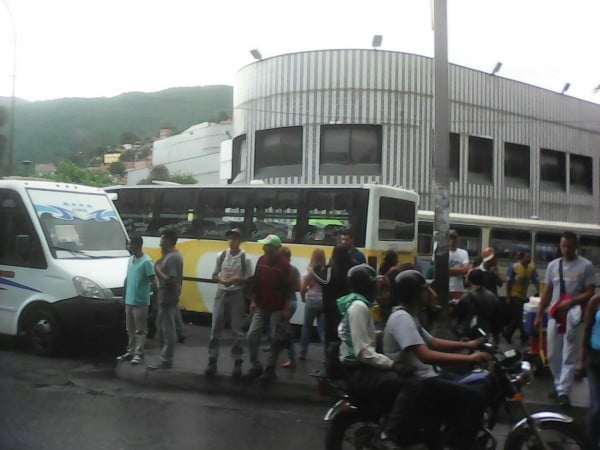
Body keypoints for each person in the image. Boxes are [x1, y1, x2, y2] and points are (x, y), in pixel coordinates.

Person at [384, 270, 489, 450]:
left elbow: (433, 342)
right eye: (424, 290)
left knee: (465, 386)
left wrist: (470, 344)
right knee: (475, 398)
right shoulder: (401, 318)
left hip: (426, 376)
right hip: (420, 380)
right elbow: (426, 354)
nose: (428, 294)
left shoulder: (410, 316)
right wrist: (468, 357)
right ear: (414, 294)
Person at [337, 264, 420, 449]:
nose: (378, 289)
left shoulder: (355, 303)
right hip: (359, 370)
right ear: (367, 286)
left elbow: (352, 335)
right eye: (375, 285)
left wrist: (378, 335)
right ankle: (387, 435)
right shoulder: (359, 307)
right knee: (412, 382)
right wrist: (393, 365)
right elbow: (363, 352)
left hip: (357, 367)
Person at [534, 231, 595, 408]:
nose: (566, 249)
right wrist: (539, 315)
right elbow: (547, 293)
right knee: (553, 353)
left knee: (569, 354)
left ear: (576, 246)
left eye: (569, 246)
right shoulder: (553, 266)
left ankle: (563, 392)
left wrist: (571, 303)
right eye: (563, 246)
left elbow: (590, 291)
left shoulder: (586, 266)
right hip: (555, 314)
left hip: (574, 316)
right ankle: (560, 385)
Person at [243, 234, 292, 383]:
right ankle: (255, 365)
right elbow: (256, 282)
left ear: (276, 249)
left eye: (267, 246)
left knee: (274, 341)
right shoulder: (261, 260)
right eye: (264, 245)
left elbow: (287, 288)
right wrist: (253, 301)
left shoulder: (284, 265)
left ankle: (270, 369)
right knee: (251, 335)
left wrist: (286, 307)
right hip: (261, 306)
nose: (264, 248)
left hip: (276, 308)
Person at [205, 227, 253, 378]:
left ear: (240, 241)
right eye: (230, 238)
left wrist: (236, 279)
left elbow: (250, 279)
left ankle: (237, 361)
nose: (231, 241)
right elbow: (214, 275)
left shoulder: (246, 258)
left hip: (237, 294)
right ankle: (212, 360)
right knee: (215, 329)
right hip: (222, 292)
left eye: (235, 238)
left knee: (237, 330)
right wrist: (221, 279)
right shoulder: (222, 255)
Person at [117, 236, 157, 365]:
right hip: (129, 299)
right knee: (130, 328)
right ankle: (130, 351)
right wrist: (124, 296)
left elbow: (154, 282)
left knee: (140, 329)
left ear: (137, 245)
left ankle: (139, 353)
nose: (128, 247)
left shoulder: (147, 262)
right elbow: (127, 279)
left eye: (130, 245)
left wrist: (151, 297)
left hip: (140, 301)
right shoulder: (130, 260)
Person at [148, 228, 184, 370]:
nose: (160, 242)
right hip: (165, 296)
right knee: (162, 326)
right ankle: (164, 357)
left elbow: (171, 279)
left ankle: (166, 359)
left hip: (168, 296)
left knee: (167, 329)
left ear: (168, 240)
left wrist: (158, 271)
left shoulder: (174, 257)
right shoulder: (169, 255)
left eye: (162, 239)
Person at [315, 244, 354, 347]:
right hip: (348, 305)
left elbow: (325, 281)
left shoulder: (332, 269)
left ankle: (331, 356)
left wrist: (315, 269)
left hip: (332, 306)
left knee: (331, 333)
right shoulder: (353, 266)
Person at [454, 269, 502, 341]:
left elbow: (459, 314)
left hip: (469, 332)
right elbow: (497, 317)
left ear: (470, 280)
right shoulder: (493, 297)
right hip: (487, 332)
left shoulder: (466, 297)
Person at [504, 250, 540, 344]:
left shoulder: (531, 268)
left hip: (523, 296)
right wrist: (508, 296)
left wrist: (540, 293)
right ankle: (524, 337)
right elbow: (509, 283)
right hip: (514, 295)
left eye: (530, 257)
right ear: (521, 257)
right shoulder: (515, 267)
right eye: (527, 257)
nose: (529, 259)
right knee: (520, 316)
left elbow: (536, 281)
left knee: (517, 317)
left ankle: (507, 334)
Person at [299, 248, 327, 360]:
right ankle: (327, 353)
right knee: (323, 330)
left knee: (306, 328)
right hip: (323, 302)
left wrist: (303, 299)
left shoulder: (309, 271)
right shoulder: (326, 270)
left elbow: (302, 288)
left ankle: (302, 353)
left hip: (311, 301)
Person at [279, 246, 301, 369]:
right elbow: (298, 287)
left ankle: (291, 359)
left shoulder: (282, 270)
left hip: (284, 304)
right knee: (281, 329)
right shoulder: (295, 270)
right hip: (294, 302)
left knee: (283, 332)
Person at [583, 294, 600, 448]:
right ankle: (589, 444)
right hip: (595, 360)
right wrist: (581, 360)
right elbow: (587, 330)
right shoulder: (595, 302)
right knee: (596, 407)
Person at [448, 229, 471, 300]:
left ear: (458, 239)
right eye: (450, 238)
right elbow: (441, 271)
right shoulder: (441, 252)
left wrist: (450, 270)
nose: (452, 241)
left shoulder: (463, 253)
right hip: (444, 288)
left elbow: (466, 270)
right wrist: (459, 271)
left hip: (458, 288)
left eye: (454, 238)